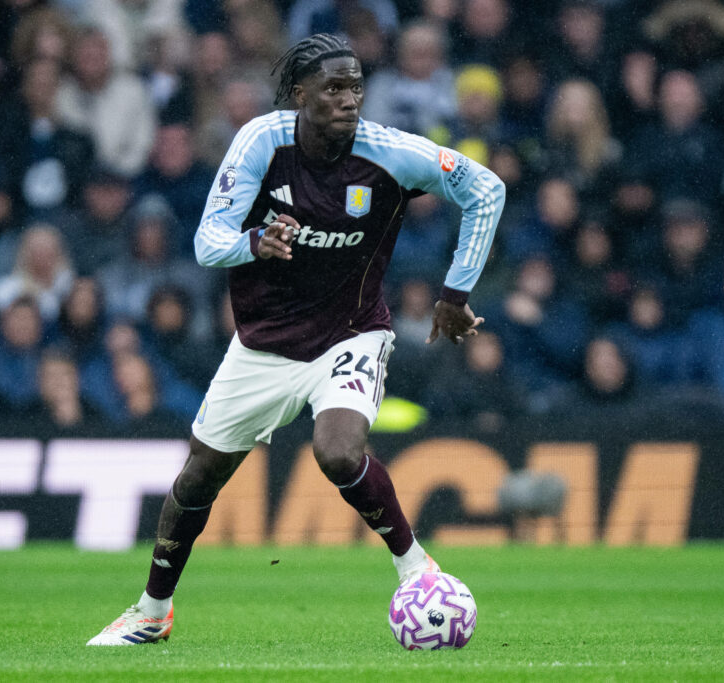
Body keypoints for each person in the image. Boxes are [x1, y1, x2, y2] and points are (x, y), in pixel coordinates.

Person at [87, 33, 505, 646]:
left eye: (356, 86)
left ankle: (416, 569)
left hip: (351, 334)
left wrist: (455, 295)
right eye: (334, 88)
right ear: (299, 94)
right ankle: (152, 613)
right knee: (199, 477)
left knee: (337, 452)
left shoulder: (390, 153)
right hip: (262, 345)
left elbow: (485, 190)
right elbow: (208, 243)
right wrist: (256, 241)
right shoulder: (262, 142)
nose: (349, 99)